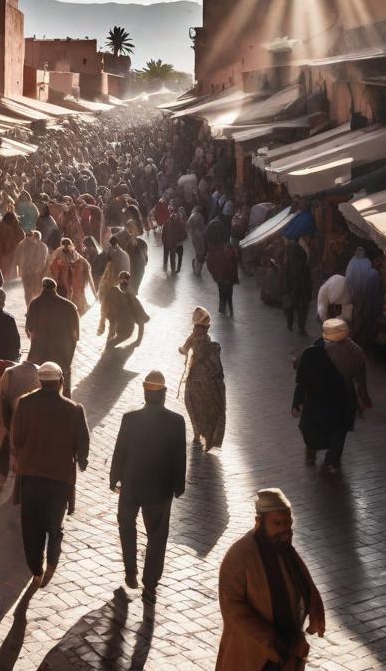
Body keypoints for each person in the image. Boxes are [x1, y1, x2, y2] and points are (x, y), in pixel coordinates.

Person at [217, 489, 326, 671]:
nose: (284, 529)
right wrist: (273, 641)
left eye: (287, 523)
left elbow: (304, 582)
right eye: (277, 523)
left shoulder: (283, 547)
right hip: (255, 655)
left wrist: (315, 608)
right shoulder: (239, 555)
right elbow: (233, 609)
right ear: (259, 522)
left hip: (288, 651)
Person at [109, 370, 186, 605]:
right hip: (160, 490)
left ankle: (130, 571)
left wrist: (114, 478)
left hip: (131, 484)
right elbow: (179, 457)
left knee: (126, 526)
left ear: (145, 391)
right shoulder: (176, 421)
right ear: (163, 394)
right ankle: (150, 583)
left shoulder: (129, 418)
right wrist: (178, 485)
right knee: (157, 536)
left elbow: (120, 450)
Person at [11, 362, 90, 588]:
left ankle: (36, 569)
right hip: (60, 478)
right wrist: (81, 461)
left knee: (30, 525)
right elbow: (83, 443)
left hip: (30, 476)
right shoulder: (75, 409)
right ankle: (52, 562)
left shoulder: (25, 404)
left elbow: (17, 440)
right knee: (54, 525)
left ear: (40, 381)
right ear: (60, 383)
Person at [293, 319, 370, 474]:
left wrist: (297, 401)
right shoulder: (356, 351)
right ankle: (331, 460)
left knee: (319, 427)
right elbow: (360, 378)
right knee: (338, 430)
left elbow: (301, 378)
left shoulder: (312, 351)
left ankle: (316, 451)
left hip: (319, 398)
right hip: (342, 398)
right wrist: (363, 397)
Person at [179, 306, 226, 451]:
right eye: (196, 326)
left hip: (203, 380)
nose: (197, 329)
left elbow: (185, 350)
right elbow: (184, 349)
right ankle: (198, 432)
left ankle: (202, 435)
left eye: (200, 327)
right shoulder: (198, 339)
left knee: (200, 406)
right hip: (198, 378)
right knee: (194, 404)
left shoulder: (207, 342)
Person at [0, 359, 39, 489]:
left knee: (5, 445)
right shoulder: (39, 373)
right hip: (31, 418)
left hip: (10, 414)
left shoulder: (10, 372)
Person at [26, 278, 80, 396]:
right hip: (63, 357)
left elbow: (29, 330)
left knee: (38, 389)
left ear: (43, 287)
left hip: (39, 357)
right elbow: (76, 335)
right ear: (55, 288)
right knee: (65, 392)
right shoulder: (70, 306)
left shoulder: (34, 304)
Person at [100, 271, 149, 348]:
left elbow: (141, 319)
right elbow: (105, 307)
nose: (123, 282)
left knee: (110, 345)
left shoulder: (130, 297)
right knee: (109, 343)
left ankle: (110, 343)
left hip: (125, 329)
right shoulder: (113, 291)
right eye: (122, 280)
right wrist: (103, 321)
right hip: (118, 323)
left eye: (125, 280)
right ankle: (111, 339)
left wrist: (138, 340)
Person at [344, 248, 382, 348]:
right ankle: (358, 342)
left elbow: (348, 280)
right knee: (363, 320)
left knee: (358, 319)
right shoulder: (373, 272)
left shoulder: (353, 262)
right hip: (364, 298)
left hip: (356, 297)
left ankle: (354, 340)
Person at [47, 238, 92, 316]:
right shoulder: (60, 253)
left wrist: (73, 266)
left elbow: (81, 260)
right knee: (67, 291)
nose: (66, 246)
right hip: (64, 276)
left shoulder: (73, 252)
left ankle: (71, 307)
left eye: (68, 245)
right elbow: (55, 265)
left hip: (71, 275)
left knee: (71, 291)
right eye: (65, 245)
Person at [282, 239, 312, 335]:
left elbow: (285, 277)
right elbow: (308, 279)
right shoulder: (303, 264)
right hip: (301, 288)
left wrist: (286, 289)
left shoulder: (288, 263)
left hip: (294, 288)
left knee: (292, 305)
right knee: (302, 307)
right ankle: (301, 326)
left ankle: (290, 323)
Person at [17, 231, 50, 307]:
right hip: (33, 274)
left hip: (34, 274)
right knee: (32, 292)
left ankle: (31, 308)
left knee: (31, 292)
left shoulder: (41, 246)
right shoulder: (42, 246)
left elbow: (44, 261)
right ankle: (30, 309)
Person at [207, 242, 240, 317]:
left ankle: (228, 309)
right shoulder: (220, 257)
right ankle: (224, 308)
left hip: (228, 279)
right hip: (222, 279)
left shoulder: (232, 258)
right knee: (223, 294)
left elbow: (234, 269)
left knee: (228, 295)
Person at [0, 211, 25, 281]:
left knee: (4, 274)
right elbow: (22, 238)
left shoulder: (0, 227)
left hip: (3, 256)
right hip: (12, 256)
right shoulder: (15, 227)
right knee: (12, 275)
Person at [161, 206, 186, 273]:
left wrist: (163, 240)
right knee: (171, 258)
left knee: (168, 257)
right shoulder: (179, 221)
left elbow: (163, 232)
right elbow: (183, 233)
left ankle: (167, 270)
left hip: (169, 242)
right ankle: (172, 272)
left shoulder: (168, 221)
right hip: (172, 242)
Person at [187, 205, 208, 276]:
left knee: (199, 253)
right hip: (198, 238)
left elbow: (189, 226)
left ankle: (197, 266)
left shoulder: (193, 215)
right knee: (201, 254)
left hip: (195, 237)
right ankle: (198, 268)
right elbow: (201, 228)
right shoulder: (199, 217)